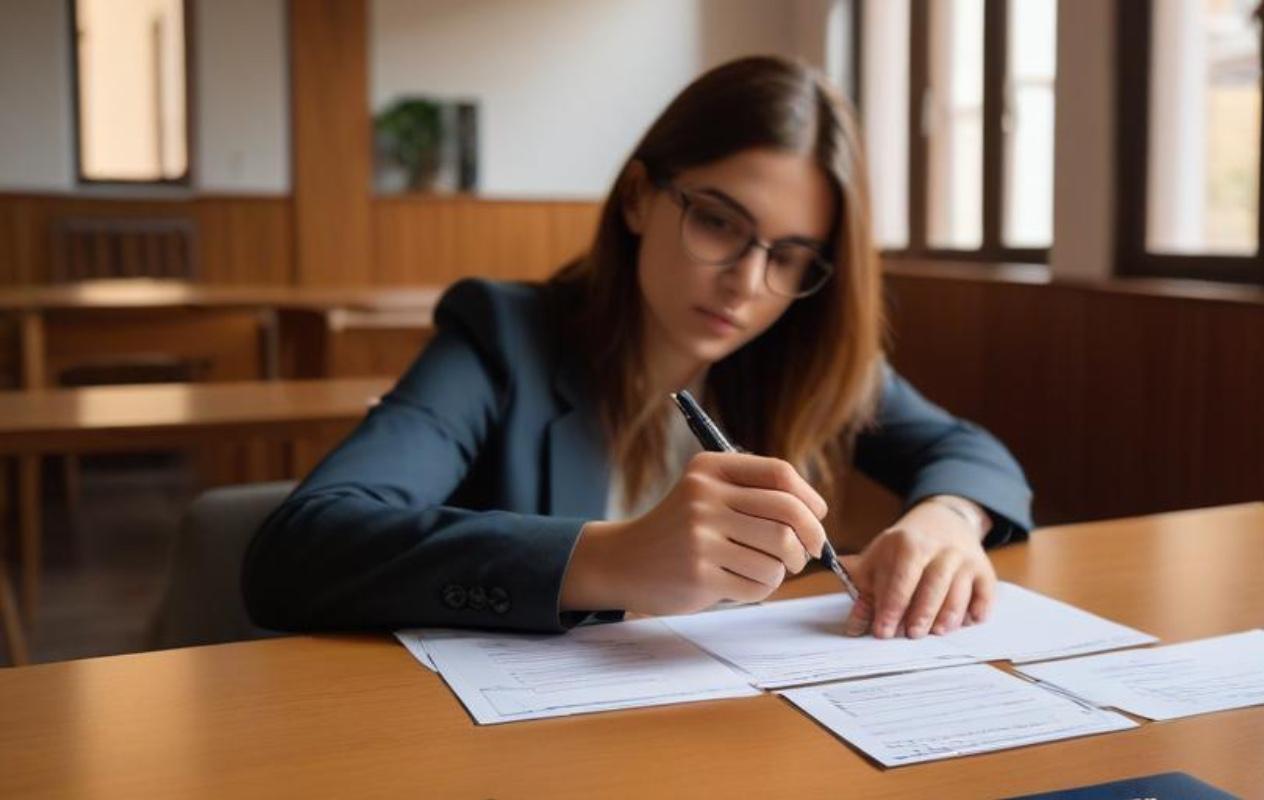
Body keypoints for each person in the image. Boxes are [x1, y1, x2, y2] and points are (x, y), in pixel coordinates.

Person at [242, 55, 1032, 641]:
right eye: (719, 222)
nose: (746, 285)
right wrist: (611, 558)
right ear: (636, 199)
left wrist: (948, 521)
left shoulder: (801, 355)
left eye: (789, 256)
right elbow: (300, 551)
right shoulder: (501, 338)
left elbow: (969, 451)